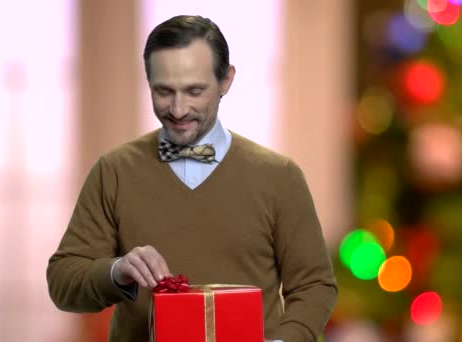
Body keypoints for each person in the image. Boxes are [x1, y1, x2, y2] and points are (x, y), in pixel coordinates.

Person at [47, 15, 337, 342]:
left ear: (226, 81)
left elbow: (315, 286)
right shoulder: (114, 171)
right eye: (164, 91)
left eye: (194, 91)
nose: (179, 109)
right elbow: (62, 283)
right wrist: (118, 271)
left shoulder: (279, 177)